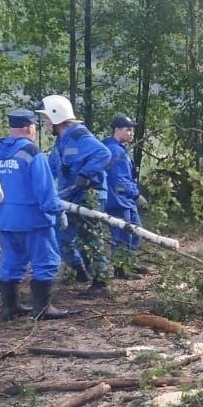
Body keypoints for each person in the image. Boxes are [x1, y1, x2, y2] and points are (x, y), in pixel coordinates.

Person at [0, 109, 70, 321]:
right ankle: (42, 309)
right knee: (46, 261)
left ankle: (10, 308)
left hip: (5, 218)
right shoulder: (32, 153)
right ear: (30, 128)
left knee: (11, 261)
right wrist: (58, 211)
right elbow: (45, 191)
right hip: (34, 220)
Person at [36, 94, 112, 293]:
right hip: (69, 197)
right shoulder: (61, 142)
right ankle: (80, 269)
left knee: (92, 238)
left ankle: (101, 282)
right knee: (62, 235)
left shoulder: (80, 137)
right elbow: (53, 167)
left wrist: (86, 175)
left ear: (56, 117)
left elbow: (104, 153)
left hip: (89, 197)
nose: (44, 124)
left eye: (45, 120)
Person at [102, 114, 146, 274]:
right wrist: (135, 195)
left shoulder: (120, 149)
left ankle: (129, 263)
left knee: (136, 231)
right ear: (117, 130)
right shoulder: (114, 151)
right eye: (128, 130)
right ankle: (121, 269)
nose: (132, 133)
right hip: (117, 201)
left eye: (132, 130)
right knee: (122, 235)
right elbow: (120, 180)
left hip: (125, 201)